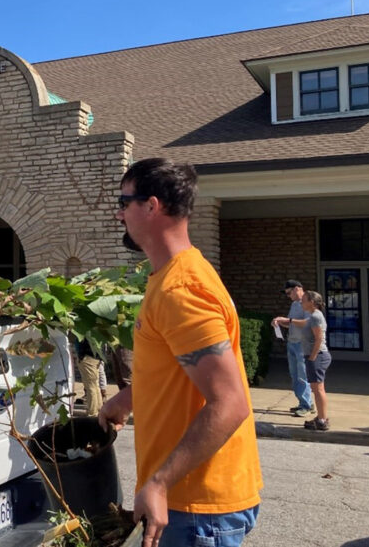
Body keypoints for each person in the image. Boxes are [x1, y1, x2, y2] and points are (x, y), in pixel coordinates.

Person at [99, 158, 262, 547]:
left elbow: (230, 403)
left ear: (151, 206)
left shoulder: (181, 290)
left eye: (124, 202)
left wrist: (158, 483)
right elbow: (178, 371)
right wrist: (126, 399)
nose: (119, 214)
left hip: (195, 508)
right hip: (192, 506)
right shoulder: (173, 276)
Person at [272, 280, 314, 417]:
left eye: (289, 293)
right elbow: (291, 324)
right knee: (294, 375)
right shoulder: (294, 304)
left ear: (297, 289)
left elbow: (307, 323)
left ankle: (306, 405)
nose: (288, 296)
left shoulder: (308, 302)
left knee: (303, 376)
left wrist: (288, 320)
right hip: (292, 342)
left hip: (302, 344)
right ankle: (304, 401)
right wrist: (279, 323)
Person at [291, 290, 332, 431]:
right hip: (314, 356)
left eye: (304, 299)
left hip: (318, 356)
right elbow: (303, 325)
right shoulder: (312, 316)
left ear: (312, 302)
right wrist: (286, 322)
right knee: (316, 388)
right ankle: (321, 417)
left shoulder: (315, 316)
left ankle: (322, 420)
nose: (301, 302)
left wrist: (312, 357)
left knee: (318, 389)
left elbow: (319, 338)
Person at [75, 339, 104, 417]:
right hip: (93, 357)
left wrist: (81, 356)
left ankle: (92, 412)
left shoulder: (86, 329)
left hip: (88, 356)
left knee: (91, 387)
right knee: (95, 386)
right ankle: (99, 409)